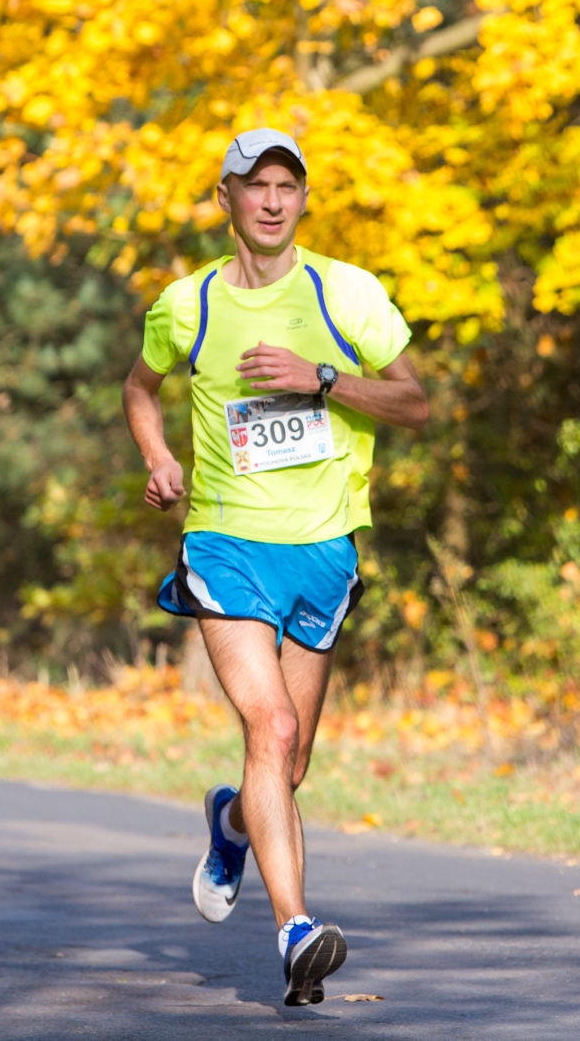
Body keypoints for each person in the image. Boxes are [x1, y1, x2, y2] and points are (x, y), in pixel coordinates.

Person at [121, 128, 429, 1006]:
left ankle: (229, 821)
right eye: (253, 185)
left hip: (325, 548)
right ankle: (296, 928)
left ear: (302, 199)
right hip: (224, 542)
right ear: (224, 198)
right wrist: (157, 458)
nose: (270, 200)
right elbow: (139, 388)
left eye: (286, 185)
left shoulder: (348, 294)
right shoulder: (190, 305)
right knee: (275, 728)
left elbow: (417, 401)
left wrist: (322, 378)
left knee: (282, 771)